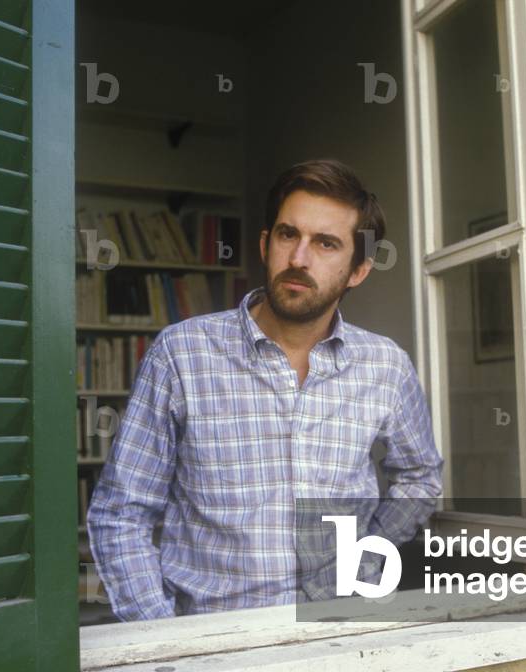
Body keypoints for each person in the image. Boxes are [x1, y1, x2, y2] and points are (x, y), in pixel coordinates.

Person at [87, 158, 443, 620]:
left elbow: (420, 477)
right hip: (214, 643)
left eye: (326, 243)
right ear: (264, 244)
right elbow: (121, 514)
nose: (298, 259)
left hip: (340, 632)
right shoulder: (182, 354)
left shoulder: (386, 366)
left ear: (357, 271)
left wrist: (368, 559)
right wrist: (161, 639)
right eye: (288, 235)